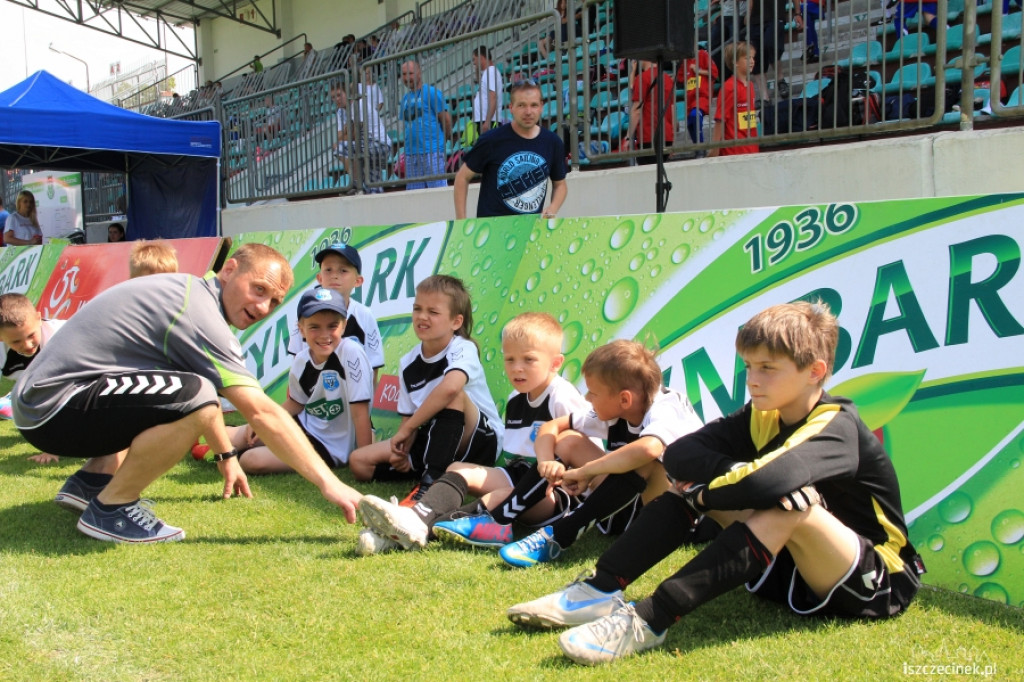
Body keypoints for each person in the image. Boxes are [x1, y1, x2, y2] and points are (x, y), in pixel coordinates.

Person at [507, 302, 925, 666]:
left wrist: (713, 491)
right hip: (791, 566)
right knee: (696, 480)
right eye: (748, 366)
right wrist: (723, 480)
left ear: (815, 371)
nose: (753, 380)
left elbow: (773, 481)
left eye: (768, 368)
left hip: (875, 580)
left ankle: (650, 620)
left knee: (791, 504)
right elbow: (681, 453)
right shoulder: (762, 413)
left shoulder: (838, 424)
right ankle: (598, 590)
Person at [12, 243, 364, 543]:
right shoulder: (196, 308)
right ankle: (111, 508)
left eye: (273, 302)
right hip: (53, 406)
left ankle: (91, 483)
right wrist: (329, 484)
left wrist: (227, 457)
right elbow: (258, 411)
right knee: (195, 393)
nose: (262, 308)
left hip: (47, 403)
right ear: (229, 270)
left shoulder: (188, 294)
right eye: (259, 289)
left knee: (186, 390)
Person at [355, 312, 594, 555]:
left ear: (555, 363)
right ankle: (412, 522)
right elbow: (516, 461)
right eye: (509, 359)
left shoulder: (562, 396)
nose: (517, 368)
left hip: (557, 495)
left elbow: (586, 453)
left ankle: (412, 526)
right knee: (458, 469)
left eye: (528, 360)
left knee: (502, 496)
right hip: (519, 476)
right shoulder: (515, 399)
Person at [494, 339, 704, 568]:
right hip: (625, 512)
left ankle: (558, 536)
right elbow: (551, 427)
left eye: (593, 393)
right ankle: (499, 519)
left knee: (646, 459)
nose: (587, 399)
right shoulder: (619, 410)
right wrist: (545, 462)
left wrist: (586, 472)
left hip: (673, 522)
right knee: (570, 440)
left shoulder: (666, 406)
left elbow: (649, 448)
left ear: (624, 399)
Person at [348, 274, 502, 508]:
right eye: (417, 309)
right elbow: (408, 418)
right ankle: (426, 472)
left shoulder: (463, 348)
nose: (422, 317)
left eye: (433, 312)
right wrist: (402, 452)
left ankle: (429, 486)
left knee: (454, 395)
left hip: (481, 442)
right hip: (435, 439)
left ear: (456, 322)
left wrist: (409, 429)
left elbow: (450, 389)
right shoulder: (407, 362)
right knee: (359, 462)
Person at [227, 288, 373, 474]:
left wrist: (363, 458)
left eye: (332, 326)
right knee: (236, 436)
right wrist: (260, 423)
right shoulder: (302, 360)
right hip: (300, 426)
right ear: (301, 329)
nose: (324, 335)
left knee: (252, 460)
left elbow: (360, 412)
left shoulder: (351, 353)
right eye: (314, 327)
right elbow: (295, 404)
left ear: (344, 326)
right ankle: (220, 448)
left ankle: (232, 455)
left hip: (328, 447)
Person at [454, 80, 567, 219]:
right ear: (511, 107)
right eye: (521, 105)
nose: (528, 112)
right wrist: (461, 222)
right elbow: (462, 177)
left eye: (534, 105)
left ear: (541, 107)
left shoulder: (553, 142)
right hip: (491, 232)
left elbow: (560, 185)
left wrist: (552, 208)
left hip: (530, 231)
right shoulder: (491, 140)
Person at [286, 242, 384, 384]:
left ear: (358, 281)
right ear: (319, 278)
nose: (334, 276)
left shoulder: (364, 315)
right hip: (313, 403)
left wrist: (365, 404)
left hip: (353, 401)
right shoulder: (306, 313)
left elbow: (373, 366)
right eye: (328, 270)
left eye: (343, 270)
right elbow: (296, 364)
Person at [0, 293, 66, 462]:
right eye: (16, 341)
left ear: (39, 318)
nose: (27, 345)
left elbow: (57, 397)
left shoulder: (63, 337)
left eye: (31, 335)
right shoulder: (2, 353)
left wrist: (51, 448)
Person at [399, 60, 452, 190]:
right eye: (404, 74)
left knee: (438, 194)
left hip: (432, 152)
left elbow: (446, 120)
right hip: (411, 155)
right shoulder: (404, 99)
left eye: (410, 73)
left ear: (419, 74)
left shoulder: (432, 93)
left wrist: (440, 144)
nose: (407, 78)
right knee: (414, 198)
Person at [331, 81, 390, 195]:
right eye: (333, 97)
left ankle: (355, 182)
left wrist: (347, 130)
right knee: (374, 187)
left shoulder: (359, 105)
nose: (336, 99)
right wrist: (347, 130)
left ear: (347, 93)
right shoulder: (340, 112)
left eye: (339, 95)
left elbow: (354, 135)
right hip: (364, 148)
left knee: (340, 148)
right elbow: (341, 137)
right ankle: (361, 185)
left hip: (380, 145)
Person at [710, 42, 759, 157]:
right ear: (735, 62)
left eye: (753, 57)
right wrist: (715, 149)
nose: (752, 61)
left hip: (752, 148)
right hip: (734, 151)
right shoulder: (729, 87)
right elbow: (720, 119)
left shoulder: (750, 86)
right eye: (747, 58)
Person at [624, 60, 677, 165]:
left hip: (648, 137)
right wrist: (672, 139)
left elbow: (636, 110)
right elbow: (672, 111)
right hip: (666, 137)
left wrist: (628, 137)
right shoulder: (667, 79)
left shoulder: (643, 78)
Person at [745, 0, 790, 103]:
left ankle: (780, 79)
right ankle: (765, 97)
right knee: (756, 56)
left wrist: (797, 13)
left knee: (771, 46)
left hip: (775, 15)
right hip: (755, 19)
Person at [677, 48, 718, 154]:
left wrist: (699, 71)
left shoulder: (703, 55)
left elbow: (714, 73)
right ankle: (698, 148)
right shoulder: (684, 61)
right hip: (690, 99)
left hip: (702, 96)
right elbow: (680, 78)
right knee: (690, 124)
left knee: (695, 116)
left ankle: (700, 147)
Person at [471, 46, 504, 135]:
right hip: (485, 120)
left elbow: (493, 97)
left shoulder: (491, 72)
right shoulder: (487, 73)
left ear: (481, 58)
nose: (473, 63)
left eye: (474, 59)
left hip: (488, 121)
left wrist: (487, 122)